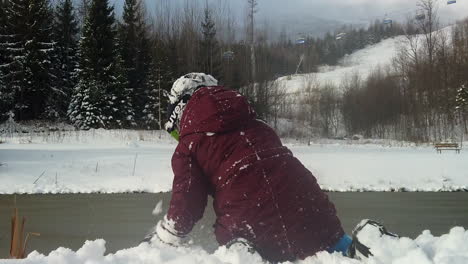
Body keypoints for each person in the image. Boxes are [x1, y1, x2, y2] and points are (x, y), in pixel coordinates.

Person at [143, 73, 380, 262]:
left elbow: (187, 203)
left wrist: (164, 238)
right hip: (313, 212)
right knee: (331, 244)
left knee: (241, 247)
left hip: (253, 228)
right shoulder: (257, 124)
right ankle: (370, 250)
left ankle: (246, 257)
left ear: (181, 109)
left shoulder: (190, 142)